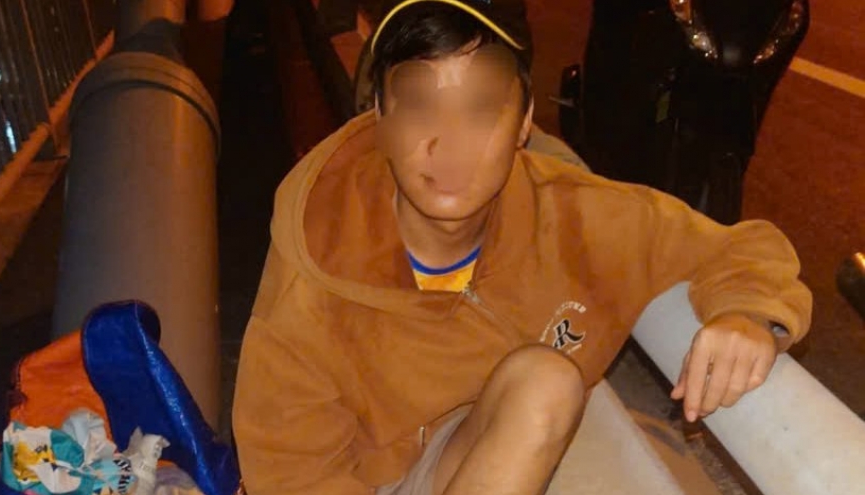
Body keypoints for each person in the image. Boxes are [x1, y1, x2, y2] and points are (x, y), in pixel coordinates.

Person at [232, 1, 813, 494]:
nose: (448, 142)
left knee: (546, 384)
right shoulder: (321, 263)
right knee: (546, 384)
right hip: (379, 483)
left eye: (481, 107)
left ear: (525, 121)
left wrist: (745, 314)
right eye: (419, 104)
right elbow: (291, 475)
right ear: (380, 118)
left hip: (510, 447)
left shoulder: (575, 215)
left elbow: (742, 247)